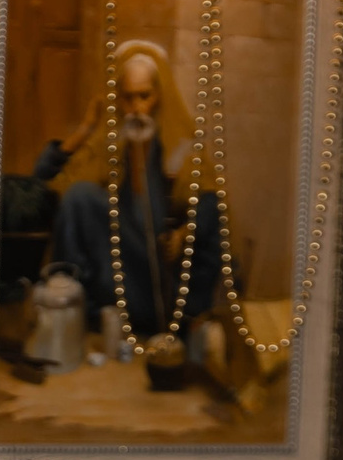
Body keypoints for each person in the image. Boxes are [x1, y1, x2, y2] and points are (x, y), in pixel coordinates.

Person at [30, 41, 221, 345]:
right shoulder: (112, 147)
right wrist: (85, 129)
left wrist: (186, 231)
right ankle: (73, 307)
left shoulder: (178, 148)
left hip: (160, 277)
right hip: (118, 274)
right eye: (127, 98)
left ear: (158, 97)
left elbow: (211, 203)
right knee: (80, 196)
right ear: (117, 100)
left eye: (144, 96)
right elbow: (41, 187)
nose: (136, 108)